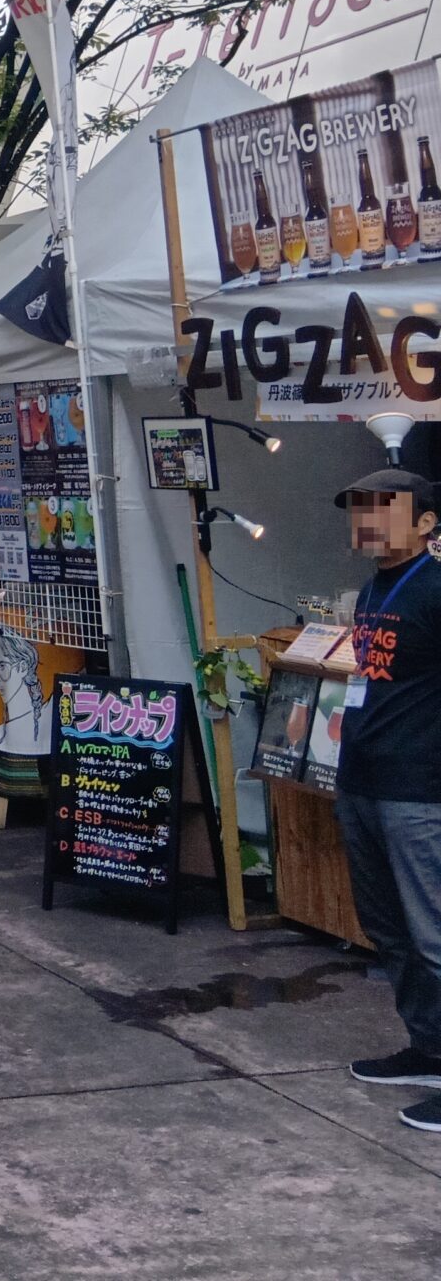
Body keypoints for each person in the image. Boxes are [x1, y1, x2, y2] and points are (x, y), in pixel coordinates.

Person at [331, 470, 441, 1132]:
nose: (366, 522)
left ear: (426, 523)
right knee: (390, 930)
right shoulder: (375, 587)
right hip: (364, 780)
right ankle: (428, 1048)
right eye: (359, 510)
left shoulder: (433, 588)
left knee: (434, 937)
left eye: (382, 510)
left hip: (418, 790)